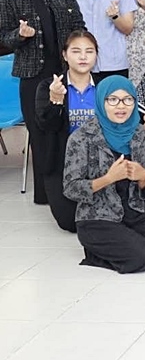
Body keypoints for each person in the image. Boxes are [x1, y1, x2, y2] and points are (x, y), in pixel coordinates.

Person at [62, 76, 145, 273]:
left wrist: (144, 177)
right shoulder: (81, 137)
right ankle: (95, 251)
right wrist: (108, 179)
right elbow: (70, 188)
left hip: (133, 210)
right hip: (97, 217)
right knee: (144, 258)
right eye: (113, 100)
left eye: (127, 99)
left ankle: (126, 239)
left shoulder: (138, 133)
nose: (121, 106)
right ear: (101, 102)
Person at [1, 0, 86, 205]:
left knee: (65, 128)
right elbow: (3, 38)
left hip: (65, 72)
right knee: (40, 133)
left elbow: (79, 26)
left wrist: (81, 52)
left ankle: (70, 185)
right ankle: (46, 193)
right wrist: (20, 35)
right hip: (32, 76)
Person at [34, 30, 99, 231]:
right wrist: (56, 101)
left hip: (99, 160)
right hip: (62, 161)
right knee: (70, 222)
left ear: (96, 55)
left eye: (89, 51)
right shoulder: (49, 86)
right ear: (64, 55)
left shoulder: (104, 86)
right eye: (76, 51)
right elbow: (46, 126)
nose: (83, 57)